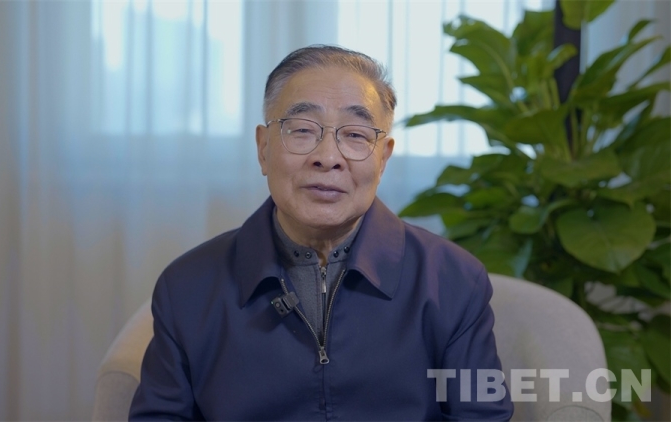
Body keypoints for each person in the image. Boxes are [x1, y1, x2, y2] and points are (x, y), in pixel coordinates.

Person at [129, 45, 513, 421]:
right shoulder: (188, 286)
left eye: (356, 135)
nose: (328, 158)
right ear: (263, 149)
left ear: (383, 158)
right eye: (302, 129)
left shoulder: (453, 280)